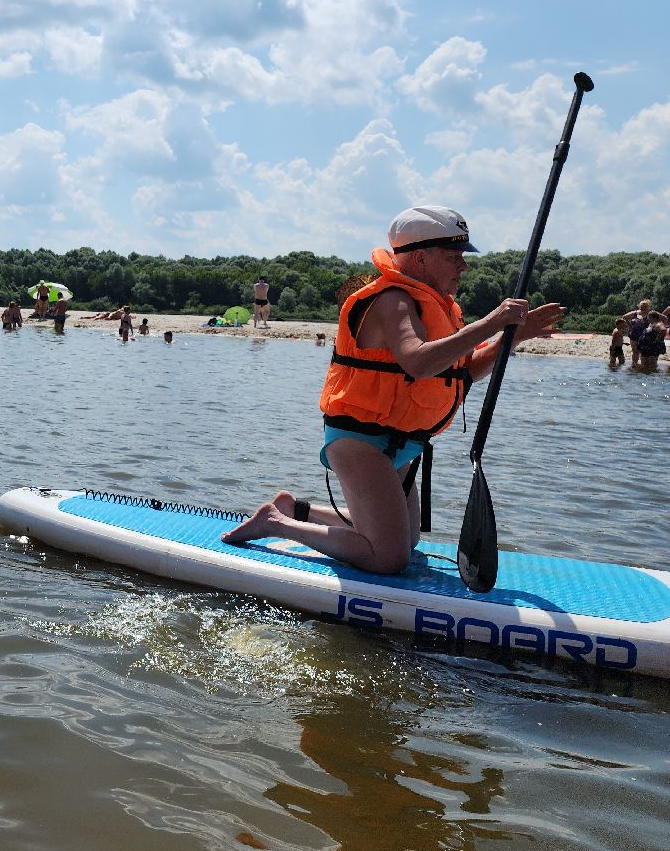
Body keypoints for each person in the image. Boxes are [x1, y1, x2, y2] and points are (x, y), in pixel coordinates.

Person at [222, 205, 563, 575]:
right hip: (362, 440)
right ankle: (276, 523)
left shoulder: (438, 306)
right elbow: (417, 362)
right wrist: (491, 322)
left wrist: (511, 338)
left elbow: (464, 372)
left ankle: (296, 509)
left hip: (402, 442)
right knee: (389, 557)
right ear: (420, 257)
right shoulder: (392, 301)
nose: (463, 267)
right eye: (454, 258)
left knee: (407, 539)